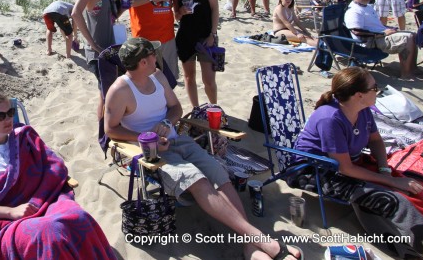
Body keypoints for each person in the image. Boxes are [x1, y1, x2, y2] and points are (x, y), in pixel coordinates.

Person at [104, 37, 302, 260]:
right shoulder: (120, 90)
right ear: (143, 62)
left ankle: (250, 243)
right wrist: (144, 137)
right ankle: (259, 239)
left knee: (218, 173)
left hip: (179, 141)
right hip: (151, 154)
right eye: (152, 54)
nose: (156, 57)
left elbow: (176, 108)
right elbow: (110, 129)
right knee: (197, 180)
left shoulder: (157, 77)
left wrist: (167, 123)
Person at [0, 93, 116, 259]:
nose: (8, 119)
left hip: (42, 202)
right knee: (49, 233)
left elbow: (52, 167)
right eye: (0, 116)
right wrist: (10, 212)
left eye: (10, 112)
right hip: (2, 218)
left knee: (79, 218)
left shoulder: (24, 137)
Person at [291, 67, 423, 257]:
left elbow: (376, 140)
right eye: (375, 87)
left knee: (411, 184)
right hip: (315, 171)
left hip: (348, 165)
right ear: (359, 95)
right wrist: (391, 182)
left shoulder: (362, 111)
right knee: (394, 199)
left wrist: (384, 171)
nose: (377, 91)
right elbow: (345, 168)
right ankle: (420, 246)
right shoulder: (330, 118)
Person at [72, 0, 124, 120]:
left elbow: (109, 17)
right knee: (107, 95)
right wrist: (92, 43)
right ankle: (104, 132)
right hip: (98, 52)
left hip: (110, 48)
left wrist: (123, 6)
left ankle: (107, 131)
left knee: (108, 94)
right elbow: (76, 12)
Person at [171, 0, 219, 108]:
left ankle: (214, 108)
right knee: (189, 77)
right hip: (185, 37)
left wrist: (212, 34)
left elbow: (215, 8)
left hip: (206, 36)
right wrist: (180, 12)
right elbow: (176, 16)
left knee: (209, 80)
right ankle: (196, 109)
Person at [344, 0, 418, 79]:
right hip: (369, 41)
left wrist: (387, 28)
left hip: (380, 35)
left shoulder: (368, 7)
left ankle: (413, 68)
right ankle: (406, 73)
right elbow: (356, 31)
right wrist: (382, 33)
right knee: (407, 38)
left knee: (413, 35)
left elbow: (375, 25)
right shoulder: (353, 11)